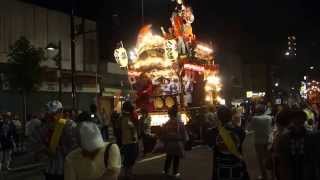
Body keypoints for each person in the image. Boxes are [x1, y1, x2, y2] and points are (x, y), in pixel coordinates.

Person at [36, 100, 78, 180]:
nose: (51, 117)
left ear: (61, 112)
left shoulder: (69, 125)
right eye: (49, 114)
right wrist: (43, 150)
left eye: (54, 114)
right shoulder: (44, 127)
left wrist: (61, 148)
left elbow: (75, 147)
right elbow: (36, 144)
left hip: (65, 171)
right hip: (50, 170)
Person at [277, 110, 320, 180]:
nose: (298, 121)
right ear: (292, 121)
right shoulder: (284, 137)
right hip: (291, 168)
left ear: (304, 120)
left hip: (306, 169)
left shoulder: (311, 136)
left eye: (300, 119)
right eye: (296, 119)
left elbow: (315, 154)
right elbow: (281, 153)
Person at [207, 106, 247, 180]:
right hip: (237, 164)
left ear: (218, 117)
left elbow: (210, 146)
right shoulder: (239, 131)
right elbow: (241, 139)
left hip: (221, 166)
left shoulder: (213, 132)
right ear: (231, 116)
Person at [161, 107, 188, 178]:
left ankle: (165, 170)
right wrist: (184, 141)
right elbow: (183, 133)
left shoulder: (167, 123)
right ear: (176, 114)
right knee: (176, 158)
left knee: (169, 157)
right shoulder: (179, 123)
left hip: (169, 143)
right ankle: (175, 172)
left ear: (169, 114)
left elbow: (163, 134)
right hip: (177, 143)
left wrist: (164, 142)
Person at [248, 104, 272, 180]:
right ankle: (272, 175)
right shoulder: (269, 117)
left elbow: (249, 129)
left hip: (258, 141)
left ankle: (264, 176)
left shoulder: (254, 118)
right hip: (268, 140)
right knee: (268, 159)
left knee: (261, 160)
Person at [118, 101, 139, 179]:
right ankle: (128, 174)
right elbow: (133, 127)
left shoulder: (123, 117)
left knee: (129, 158)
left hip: (127, 141)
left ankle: (128, 173)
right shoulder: (127, 117)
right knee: (130, 158)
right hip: (130, 141)